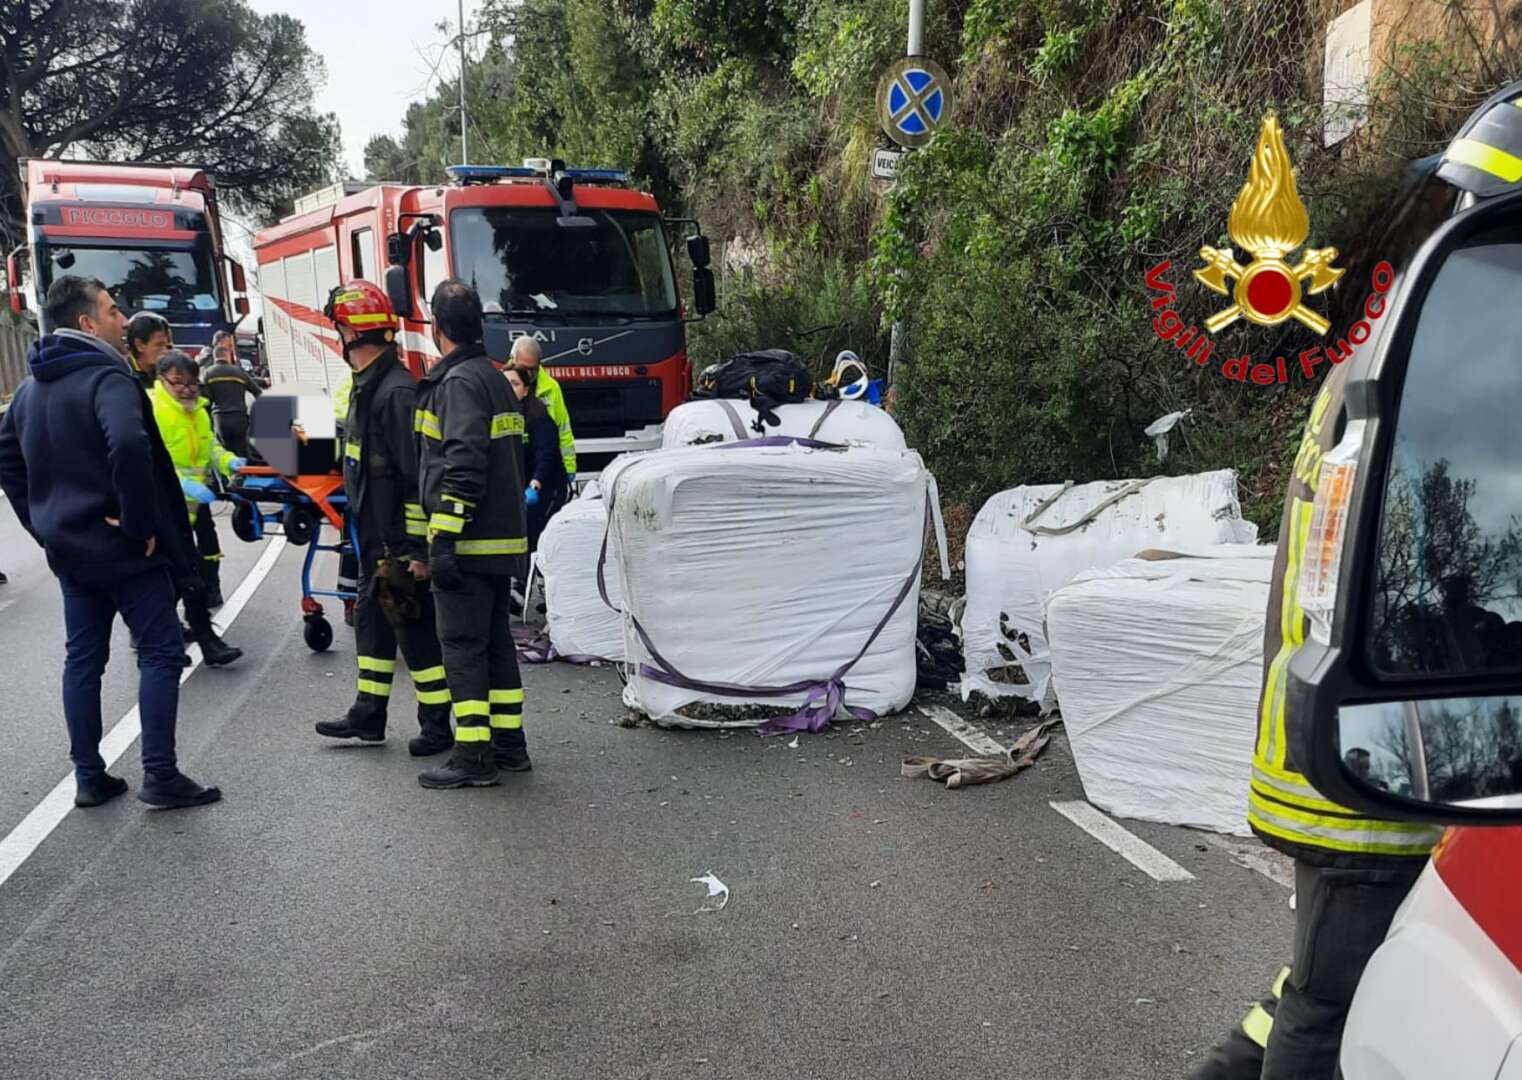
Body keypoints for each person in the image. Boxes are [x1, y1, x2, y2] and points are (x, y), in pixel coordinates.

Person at [1188, 358, 1443, 1080]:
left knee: (1321, 983)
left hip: (1328, 745)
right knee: (1328, 1004)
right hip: (1373, 778)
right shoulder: (1423, 371)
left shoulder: (1363, 370)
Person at [0, 276, 220, 808]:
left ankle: (89, 776)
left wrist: (44, 524)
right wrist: (140, 525)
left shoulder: (30, 390)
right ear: (87, 323)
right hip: (125, 552)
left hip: (71, 552)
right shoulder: (109, 379)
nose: (123, 321)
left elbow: (7, 460)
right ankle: (161, 775)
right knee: (163, 651)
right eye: (112, 311)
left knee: (83, 660)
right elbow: (127, 443)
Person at [313, 281, 453, 757]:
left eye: (338, 325)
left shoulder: (394, 393)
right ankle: (368, 715)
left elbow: (417, 479)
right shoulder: (366, 386)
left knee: (414, 632)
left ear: (349, 329)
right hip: (371, 538)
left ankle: (437, 726)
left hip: (396, 542)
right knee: (372, 622)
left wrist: (415, 549)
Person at [416, 280, 532, 788]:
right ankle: (510, 746)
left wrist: (442, 537)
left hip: (467, 541)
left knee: (461, 647)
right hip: (501, 541)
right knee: (496, 646)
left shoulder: (458, 384)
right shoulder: (493, 380)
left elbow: (462, 465)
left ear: (437, 328)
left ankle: (473, 755)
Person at [147, 352, 246, 666]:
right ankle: (165, 646)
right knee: (173, 582)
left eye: (193, 384)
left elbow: (210, 446)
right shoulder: (152, 411)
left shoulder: (198, 413)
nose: (188, 390)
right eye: (179, 383)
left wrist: (229, 462)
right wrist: (183, 485)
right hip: (159, 511)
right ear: (162, 381)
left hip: (185, 512)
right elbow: (148, 461)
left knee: (188, 580)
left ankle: (202, 642)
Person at [505, 363, 569, 552]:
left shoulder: (538, 419)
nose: (509, 389)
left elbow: (546, 455)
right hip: (518, 491)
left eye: (515, 384)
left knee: (536, 539)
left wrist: (535, 483)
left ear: (526, 390)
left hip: (544, 489)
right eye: (505, 384)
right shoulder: (497, 417)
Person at [507, 336, 576, 486]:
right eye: (524, 368)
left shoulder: (551, 388)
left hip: (543, 469)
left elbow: (563, 429)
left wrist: (569, 467)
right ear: (513, 359)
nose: (529, 374)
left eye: (534, 369)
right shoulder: (501, 383)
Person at [200, 349, 262, 457]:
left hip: (220, 420)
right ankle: (243, 473)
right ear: (228, 356)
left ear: (215, 357)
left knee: (226, 455)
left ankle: (232, 474)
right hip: (240, 419)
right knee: (242, 454)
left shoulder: (208, 374)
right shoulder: (239, 373)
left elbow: (206, 401)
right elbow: (258, 393)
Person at [126, 311, 173, 391]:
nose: (165, 351)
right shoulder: (123, 376)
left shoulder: (172, 372)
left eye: (167, 346)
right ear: (139, 345)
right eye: (159, 345)